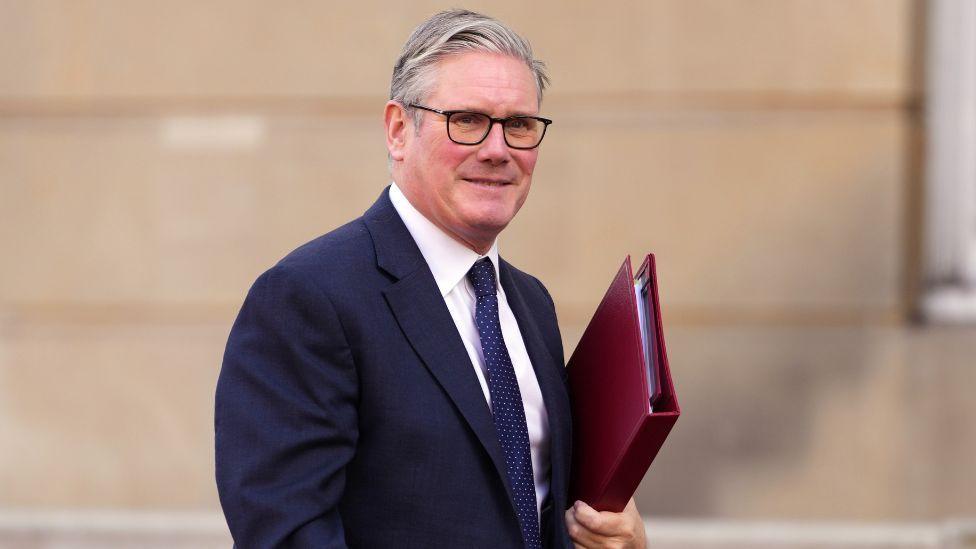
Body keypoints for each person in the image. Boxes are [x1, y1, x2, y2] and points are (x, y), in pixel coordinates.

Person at [215, 9, 647, 548]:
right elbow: (284, 533)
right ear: (399, 130)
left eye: (519, 125)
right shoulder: (309, 297)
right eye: (466, 120)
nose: (498, 150)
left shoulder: (531, 303)